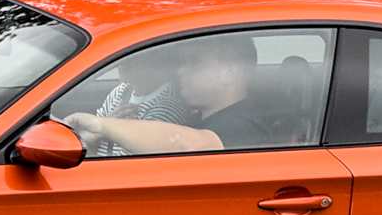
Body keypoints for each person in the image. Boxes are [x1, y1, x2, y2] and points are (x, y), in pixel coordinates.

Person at [63, 35, 283, 155]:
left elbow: (184, 144)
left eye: (194, 63)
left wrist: (102, 125)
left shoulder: (243, 129)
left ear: (228, 74)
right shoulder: (201, 118)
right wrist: (91, 144)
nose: (180, 70)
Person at [82, 45, 185, 155]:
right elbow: (89, 143)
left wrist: (106, 130)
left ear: (155, 55)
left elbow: (124, 167)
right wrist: (104, 129)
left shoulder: (167, 108)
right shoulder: (121, 91)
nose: (121, 56)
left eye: (133, 49)